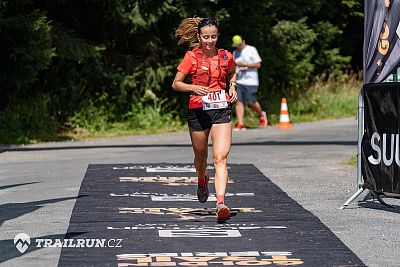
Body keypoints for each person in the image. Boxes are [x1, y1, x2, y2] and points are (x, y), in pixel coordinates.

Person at [172, 17, 238, 221]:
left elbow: (232, 74)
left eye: (213, 37)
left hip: (221, 110)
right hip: (198, 111)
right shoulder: (191, 57)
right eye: (206, 37)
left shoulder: (226, 56)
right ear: (199, 37)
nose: (209, 41)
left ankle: (220, 203)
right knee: (201, 159)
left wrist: (232, 86)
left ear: (218, 36)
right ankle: (202, 178)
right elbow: (176, 84)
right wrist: (193, 88)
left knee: (220, 158)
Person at [231, 35, 267, 130]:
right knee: (238, 101)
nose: (238, 46)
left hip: (251, 81)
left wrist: (245, 64)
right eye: (236, 45)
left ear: (243, 41)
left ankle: (262, 114)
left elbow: (258, 64)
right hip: (239, 80)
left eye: (239, 44)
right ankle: (241, 123)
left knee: (251, 102)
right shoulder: (235, 52)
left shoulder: (251, 49)